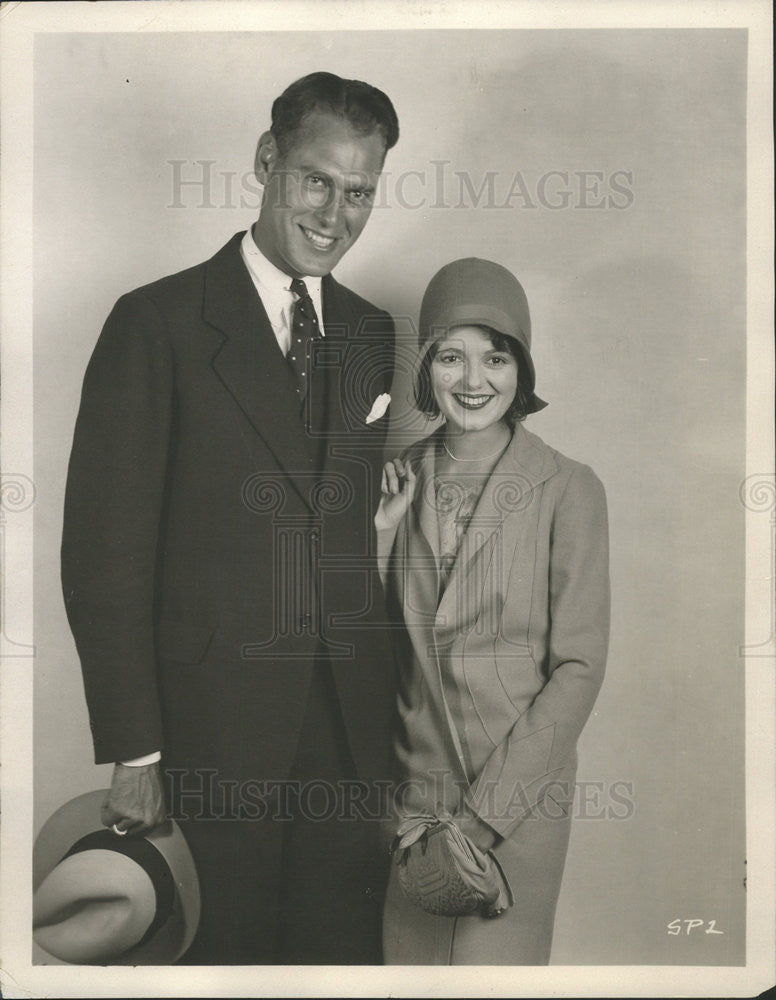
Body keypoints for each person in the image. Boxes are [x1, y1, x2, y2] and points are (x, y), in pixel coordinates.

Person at [61, 72, 400, 965]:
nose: (336, 213)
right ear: (266, 162)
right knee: (224, 966)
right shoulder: (156, 323)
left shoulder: (371, 333)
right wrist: (135, 750)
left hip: (349, 738)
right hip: (210, 733)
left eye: (360, 191)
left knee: (342, 971)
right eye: (317, 180)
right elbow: (104, 556)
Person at [375, 257, 610, 964]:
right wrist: (379, 538)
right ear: (427, 369)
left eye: (495, 357)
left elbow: (578, 667)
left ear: (522, 371)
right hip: (412, 812)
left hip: (515, 812)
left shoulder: (570, 488)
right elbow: (368, 655)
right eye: (451, 357)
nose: (473, 381)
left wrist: (481, 822)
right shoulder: (394, 479)